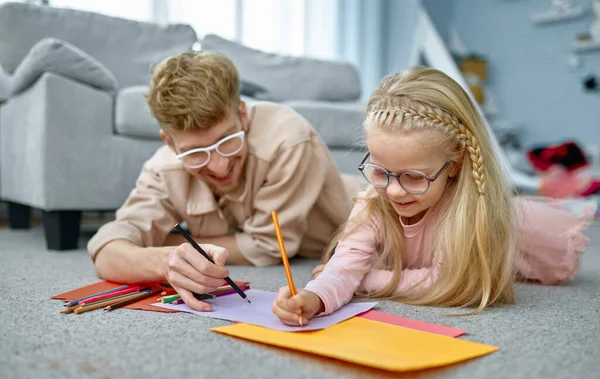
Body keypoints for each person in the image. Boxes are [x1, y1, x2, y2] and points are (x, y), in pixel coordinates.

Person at [272, 66, 597, 325]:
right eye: (380, 171)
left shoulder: (471, 208)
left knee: (543, 264)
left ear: (455, 164)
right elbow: (343, 266)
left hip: (525, 239)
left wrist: (367, 278)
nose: (394, 191)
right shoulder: (374, 200)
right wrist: (314, 297)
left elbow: (450, 283)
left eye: (414, 177)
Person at [87, 51, 359, 311]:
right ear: (169, 143)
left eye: (227, 141)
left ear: (242, 114)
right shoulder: (164, 168)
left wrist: (168, 241)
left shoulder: (289, 140)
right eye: (195, 153)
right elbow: (107, 249)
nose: (219, 166)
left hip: (371, 219)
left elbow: (268, 249)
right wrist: (163, 260)